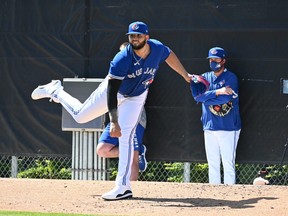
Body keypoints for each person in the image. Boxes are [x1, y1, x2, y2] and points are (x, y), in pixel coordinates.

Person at [31, 21, 192, 200]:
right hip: (114, 93)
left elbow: (169, 55)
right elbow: (112, 93)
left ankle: (123, 186)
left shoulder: (157, 48)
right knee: (80, 116)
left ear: (147, 37)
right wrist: (114, 122)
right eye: (131, 36)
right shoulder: (122, 58)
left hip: (136, 96)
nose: (135, 38)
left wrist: (185, 75)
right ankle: (56, 91)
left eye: (138, 35)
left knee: (127, 138)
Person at [97, 42, 148, 180]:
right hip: (117, 119)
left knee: (133, 158)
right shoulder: (116, 69)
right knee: (102, 150)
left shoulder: (139, 70)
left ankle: (129, 190)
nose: (124, 56)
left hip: (134, 117)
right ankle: (136, 151)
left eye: (127, 53)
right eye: (121, 53)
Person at [193, 47, 241, 185]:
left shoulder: (231, 77)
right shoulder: (204, 78)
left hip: (228, 127)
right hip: (210, 126)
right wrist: (218, 92)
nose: (213, 62)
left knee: (228, 164)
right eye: (211, 59)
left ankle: (230, 194)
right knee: (212, 164)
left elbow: (226, 99)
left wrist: (207, 98)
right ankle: (215, 199)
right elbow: (197, 97)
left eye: (217, 59)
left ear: (223, 60)